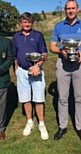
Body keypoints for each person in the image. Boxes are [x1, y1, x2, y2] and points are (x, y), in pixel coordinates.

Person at [49, 0, 81, 144]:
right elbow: (52, 47)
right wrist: (62, 50)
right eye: (68, 8)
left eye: (73, 8)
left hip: (80, 64)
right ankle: (62, 126)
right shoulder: (58, 26)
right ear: (65, 10)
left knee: (79, 97)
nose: (71, 11)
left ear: (78, 9)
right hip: (63, 64)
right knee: (62, 97)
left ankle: (80, 127)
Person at [12, 12, 49, 140]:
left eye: (29, 22)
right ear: (20, 23)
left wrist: (37, 65)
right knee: (25, 98)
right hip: (22, 71)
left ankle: (41, 124)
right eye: (24, 22)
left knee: (39, 99)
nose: (27, 24)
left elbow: (44, 54)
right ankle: (29, 121)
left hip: (36, 70)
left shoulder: (38, 35)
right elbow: (15, 55)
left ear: (31, 23)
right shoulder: (16, 36)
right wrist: (16, 69)